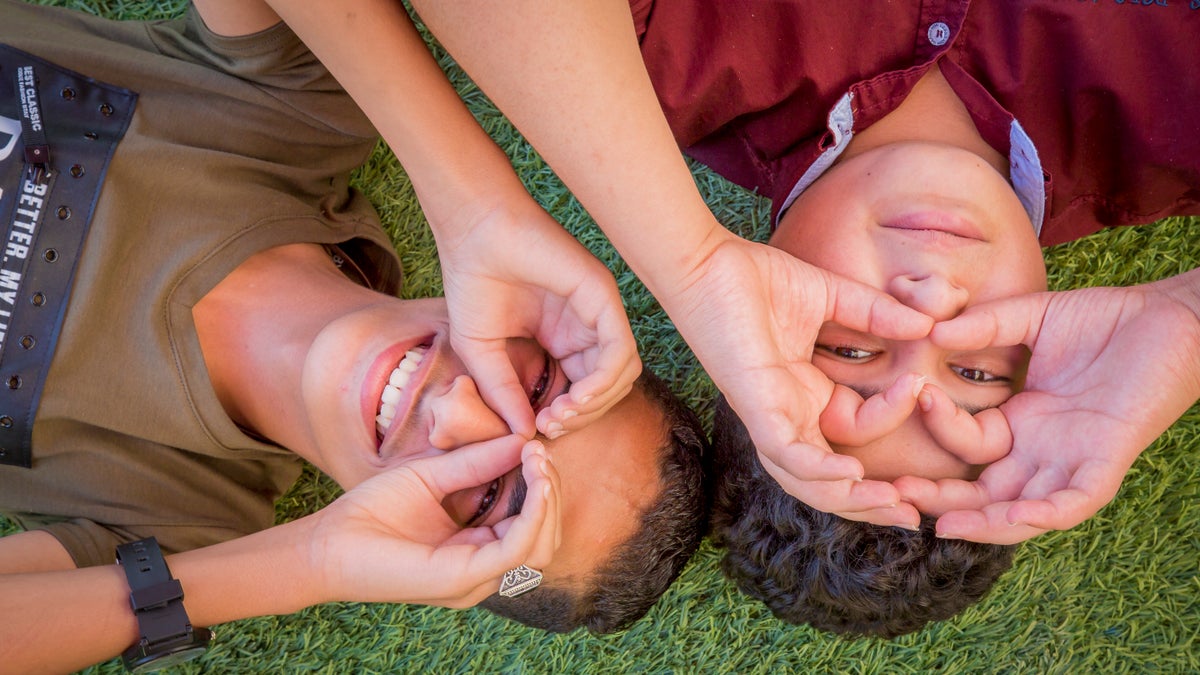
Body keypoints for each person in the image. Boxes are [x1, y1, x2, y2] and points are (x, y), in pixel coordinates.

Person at [341, 0, 1199, 635]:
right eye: (977, 368)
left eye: (854, 342)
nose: (933, 298)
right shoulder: (1172, 134)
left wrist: (691, 261)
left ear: (753, 326)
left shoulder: (659, 63)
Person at [0, 1, 707, 671]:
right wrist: (475, 205)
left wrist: (316, 560)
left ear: (429, 548)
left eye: (488, 494)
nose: (458, 407)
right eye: (537, 386)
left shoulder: (166, 526)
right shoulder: (295, 116)